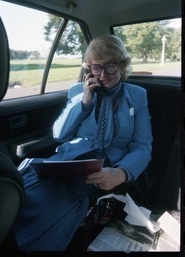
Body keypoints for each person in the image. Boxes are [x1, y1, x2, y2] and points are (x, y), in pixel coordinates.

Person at [13, 35, 153, 252]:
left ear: (122, 66)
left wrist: (121, 173)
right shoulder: (78, 92)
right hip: (64, 161)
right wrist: (84, 101)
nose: (103, 75)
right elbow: (59, 134)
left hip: (100, 173)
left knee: (53, 207)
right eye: (97, 68)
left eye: (111, 67)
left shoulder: (138, 96)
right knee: (20, 193)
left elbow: (142, 146)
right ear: (89, 69)